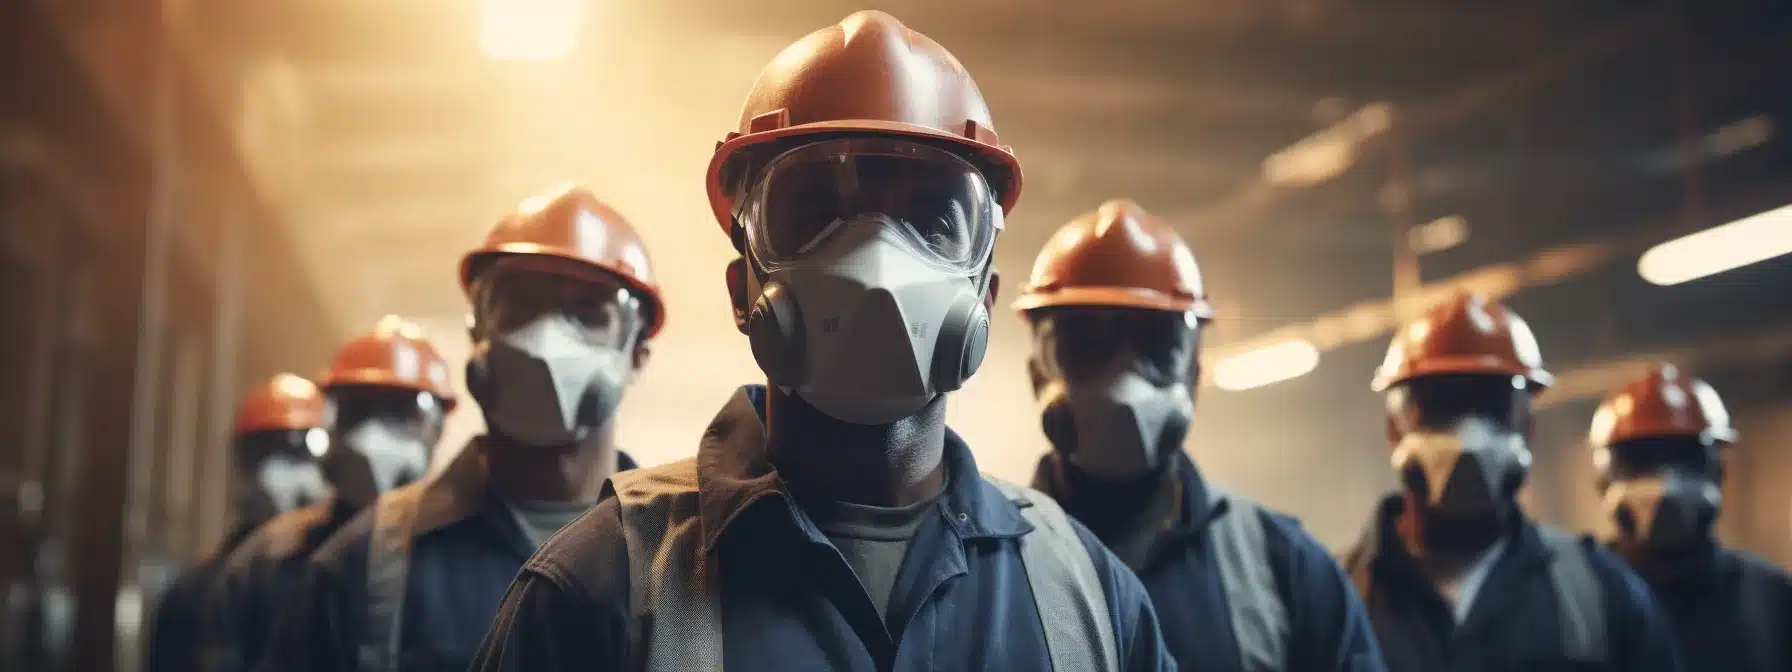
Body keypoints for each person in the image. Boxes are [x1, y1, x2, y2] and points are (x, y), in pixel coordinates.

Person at [471, 11, 1173, 671]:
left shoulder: (1090, 598)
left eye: (931, 219)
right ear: (743, 290)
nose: (874, 260)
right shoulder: (596, 593)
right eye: (813, 210)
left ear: (984, 291)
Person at [260, 185, 661, 672]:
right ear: (478, 330)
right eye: (521, 304)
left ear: (637, 354)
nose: (546, 337)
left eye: (587, 313)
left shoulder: (676, 560)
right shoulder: (363, 568)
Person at [1016, 199, 1385, 671]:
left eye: (1156, 347)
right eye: (1085, 344)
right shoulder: (989, 568)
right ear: (1037, 375)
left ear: (1193, 373)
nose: (1123, 379)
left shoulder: (1284, 569)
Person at [1339, 293, 1682, 672]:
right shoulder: (1331, 596)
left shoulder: (1602, 597)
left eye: (1491, 407)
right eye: (1440, 406)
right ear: (1393, 429)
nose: (1467, 438)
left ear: (1528, 427)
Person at [198, 317, 455, 672]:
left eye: (400, 412)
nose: (373, 437)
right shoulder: (267, 561)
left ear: (437, 427)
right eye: (357, 410)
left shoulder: (464, 550)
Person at [1589, 363, 1790, 671]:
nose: (1664, 486)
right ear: (1603, 481)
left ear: (1720, 474)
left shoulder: (1773, 604)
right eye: (1641, 460)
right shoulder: (1572, 600)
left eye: (1683, 457)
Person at [145, 374, 334, 672]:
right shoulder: (197, 590)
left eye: (303, 462)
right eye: (279, 461)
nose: (295, 484)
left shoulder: (335, 573)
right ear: (247, 468)